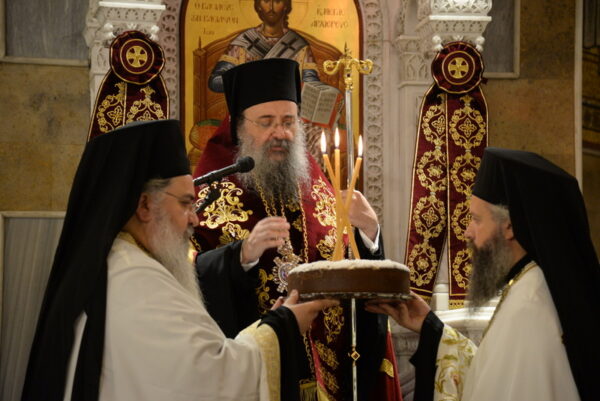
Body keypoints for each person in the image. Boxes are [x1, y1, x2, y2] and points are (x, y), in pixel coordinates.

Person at [21, 119, 337, 401]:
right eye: (186, 203)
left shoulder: (118, 263)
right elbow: (210, 379)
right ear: (145, 205)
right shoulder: (136, 279)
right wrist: (284, 326)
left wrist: (273, 321)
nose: (195, 219)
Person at [192, 58, 402, 401]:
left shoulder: (317, 186)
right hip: (257, 379)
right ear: (239, 127)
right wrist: (240, 256)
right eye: (266, 122)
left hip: (330, 377)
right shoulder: (208, 196)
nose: (281, 133)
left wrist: (369, 235)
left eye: (289, 122)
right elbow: (188, 278)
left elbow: (350, 271)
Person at [367, 147, 600, 401]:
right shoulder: (528, 285)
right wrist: (431, 328)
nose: (467, 232)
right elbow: (492, 378)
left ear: (509, 226)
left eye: (476, 219)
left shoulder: (529, 307)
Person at [208, 0, 320, 93]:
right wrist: (248, 80)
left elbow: (311, 84)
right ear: (258, 6)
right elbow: (215, 81)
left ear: (286, 5)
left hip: (287, 111)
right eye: (266, 1)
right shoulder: (243, 42)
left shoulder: (299, 45)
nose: (271, 7)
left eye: (277, 1)